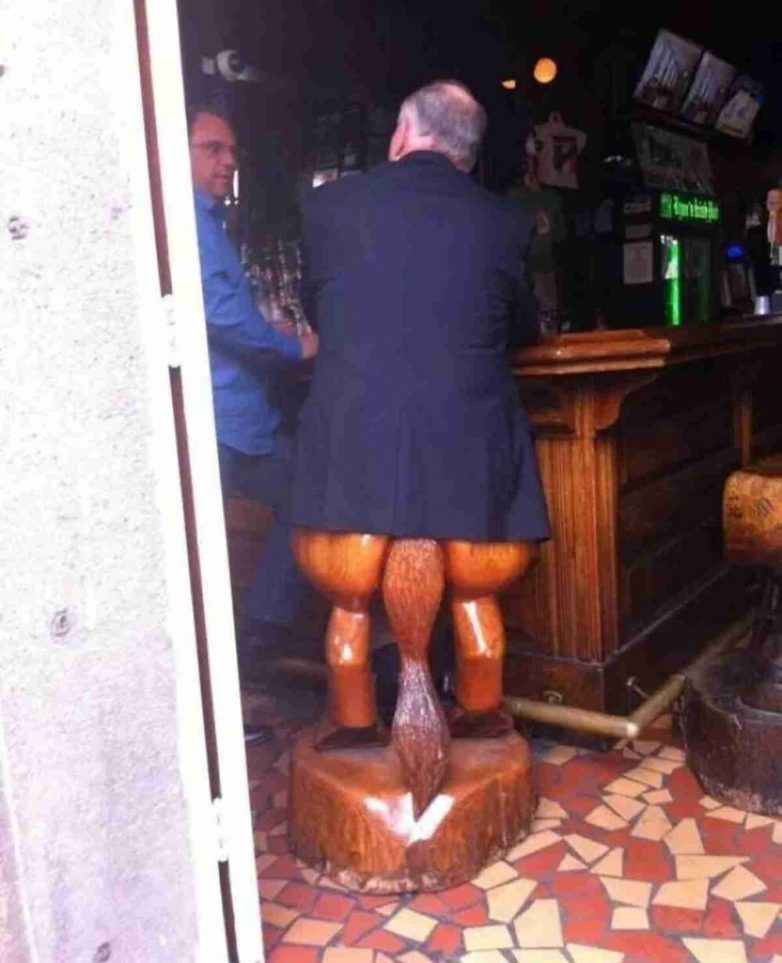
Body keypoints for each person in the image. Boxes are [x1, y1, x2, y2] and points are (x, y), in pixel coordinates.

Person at [291, 80, 550, 746]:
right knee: (476, 593)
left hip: (355, 454)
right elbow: (523, 328)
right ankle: (482, 716)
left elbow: (321, 310)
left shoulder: (328, 207)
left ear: (402, 133)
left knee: (349, 602)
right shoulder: (507, 223)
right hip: (472, 461)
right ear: (468, 155)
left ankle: (353, 722)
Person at [188, 104, 319, 741]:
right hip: (212, 418)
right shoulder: (187, 222)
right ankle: (215, 708)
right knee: (202, 560)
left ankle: (256, 640)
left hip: (245, 417)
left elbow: (229, 314)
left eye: (232, 150)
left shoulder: (210, 224)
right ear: (178, 152)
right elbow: (220, 318)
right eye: (212, 148)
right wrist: (295, 347)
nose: (228, 160)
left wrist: (271, 333)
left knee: (308, 493)